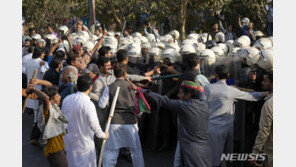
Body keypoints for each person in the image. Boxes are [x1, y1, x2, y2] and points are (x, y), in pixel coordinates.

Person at [204, 65, 269, 167]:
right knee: (219, 156)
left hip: (209, 126)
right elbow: (251, 96)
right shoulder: (231, 91)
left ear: (215, 75)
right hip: (224, 128)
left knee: (214, 156)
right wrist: (267, 93)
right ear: (228, 75)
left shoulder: (207, 88)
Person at [142, 80, 211, 167]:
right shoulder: (204, 103)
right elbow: (202, 93)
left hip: (191, 150)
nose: (178, 96)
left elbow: (163, 101)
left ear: (188, 95)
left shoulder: (184, 105)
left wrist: (142, 90)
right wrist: (199, 88)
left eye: (180, 93)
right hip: (204, 148)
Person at [98, 63, 145, 167]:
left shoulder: (109, 87)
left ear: (114, 74)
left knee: (111, 150)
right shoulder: (133, 87)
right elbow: (139, 106)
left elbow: (101, 105)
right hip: (130, 122)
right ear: (125, 74)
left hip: (113, 122)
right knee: (135, 150)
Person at [61, 76, 109, 167]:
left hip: (69, 141)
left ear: (76, 86)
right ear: (90, 87)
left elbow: (63, 120)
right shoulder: (88, 104)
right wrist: (103, 135)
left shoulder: (67, 99)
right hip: (84, 144)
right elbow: (94, 125)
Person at [26, 86, 68, 167]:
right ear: (51, 101)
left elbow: (49, 84)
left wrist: (38, 81)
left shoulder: (54, 109)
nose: (60, 97)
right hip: (54, 151)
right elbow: (45, 98)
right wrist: (33, 89)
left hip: (58, 149)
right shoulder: (47, 111)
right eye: (57, 96)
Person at [25, 47, 48, 146]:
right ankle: (36, 122)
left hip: (29, 83)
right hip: (37, 85)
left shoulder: (29, 61)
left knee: (33, 105)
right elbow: (45, 71)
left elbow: (25, 72)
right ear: (40, 54)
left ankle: (35, 121)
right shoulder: (41, 62)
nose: (43, 55)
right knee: (37, 105)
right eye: (43, 53)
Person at [251, 71, 273, 167]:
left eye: (265, 81)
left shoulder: (269, 104)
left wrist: (255, 153)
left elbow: (264, 131)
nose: (262, 83)